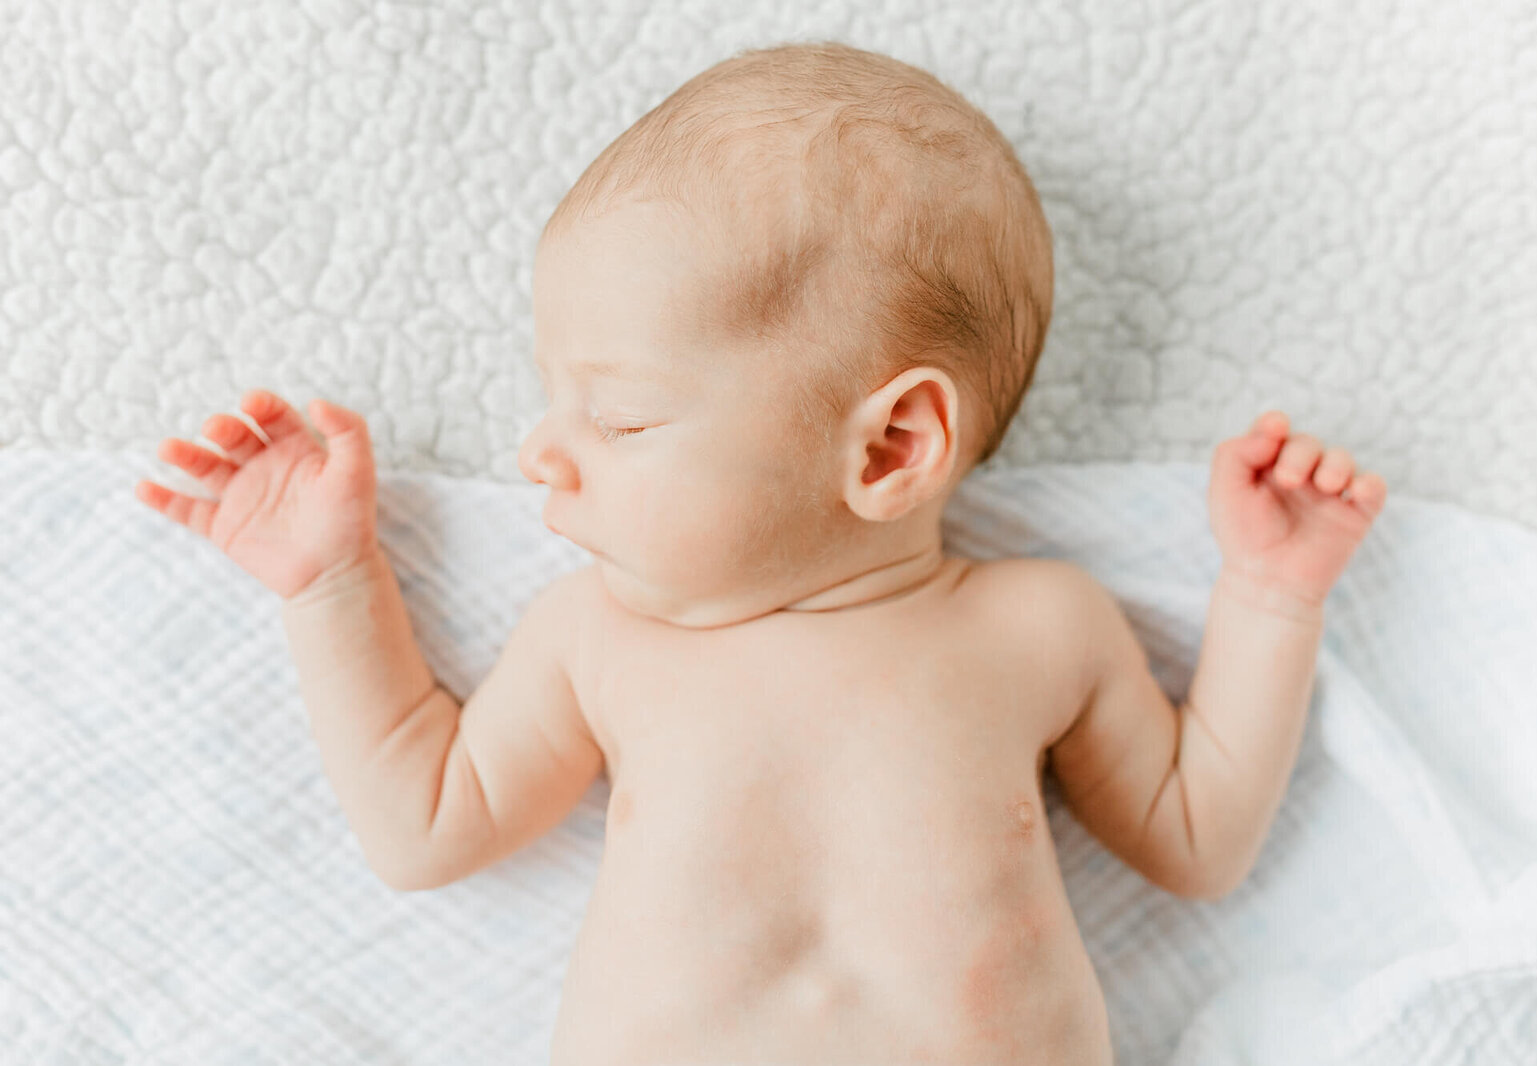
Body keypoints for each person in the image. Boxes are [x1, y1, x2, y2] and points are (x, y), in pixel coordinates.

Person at [134, 40, 1386, 1066]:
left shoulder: (1037, 627)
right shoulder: (598, 640)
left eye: (619, 417)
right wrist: (332, 580)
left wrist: (1272, 596)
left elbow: (1196, 839)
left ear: (893, 445)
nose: (541, 454)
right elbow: (425, 824)